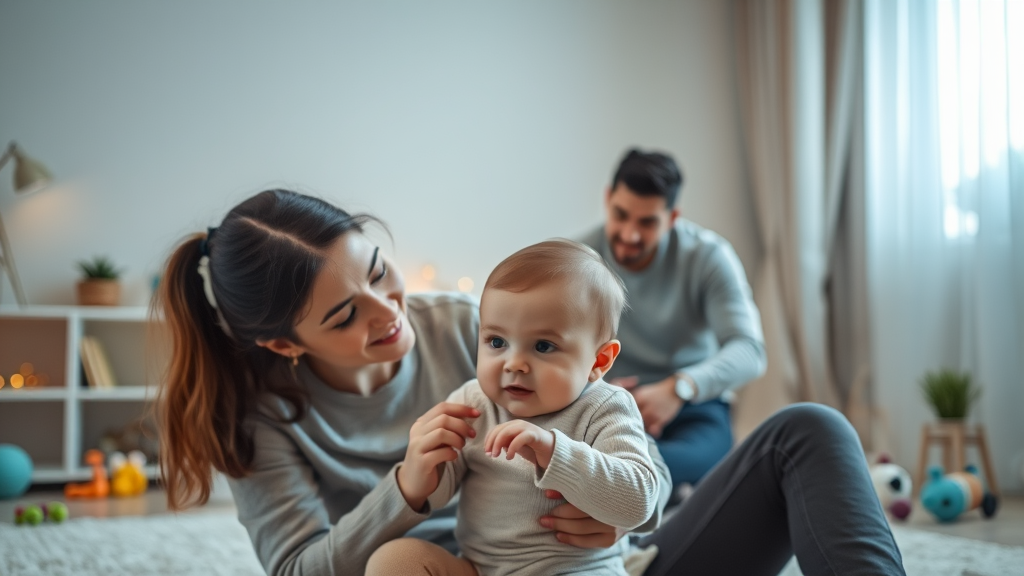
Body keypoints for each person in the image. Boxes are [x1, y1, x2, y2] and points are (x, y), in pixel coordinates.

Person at [157, 188, 905, 576]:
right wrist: (408, 491)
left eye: (380, 272)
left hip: (599, 567)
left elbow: (613, 441)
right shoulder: (256, 420)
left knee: (809, 431)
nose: (390, 313)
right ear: (287, 342)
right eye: (349, 313)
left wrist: (613, 514)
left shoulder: (468, 327)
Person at [366, 240, 661, 576]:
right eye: (497, 342)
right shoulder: (473, 402)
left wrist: (554, 452)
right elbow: (437, 494)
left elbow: (639, 501)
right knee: (394, 561)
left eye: (543, 346)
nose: (514, 363)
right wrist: (423, 471)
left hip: (574, 569)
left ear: (599, 360)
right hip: (479, 568)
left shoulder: (604, 407)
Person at [579, 148, 767, 489]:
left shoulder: (709, 257)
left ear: (673, 217)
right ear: (607, 199)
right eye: (620, 214)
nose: (630, 234)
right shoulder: (579, 260)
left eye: (647, 222)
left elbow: (750, 351)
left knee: (706, 458)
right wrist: (591, 387)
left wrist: (680, 387)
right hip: (605, 402)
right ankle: (636, 479)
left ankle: (625, 478)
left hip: (694, 405)